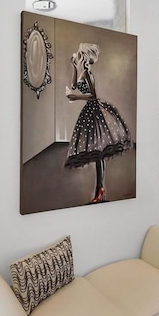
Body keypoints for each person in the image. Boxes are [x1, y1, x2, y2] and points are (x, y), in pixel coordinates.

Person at [64, 43, 133, 203]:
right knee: (96, 150)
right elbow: (74, 86)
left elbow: (93, 96)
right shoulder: (82, 71)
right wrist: (74, 67)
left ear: (85, 56)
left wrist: (75, 98)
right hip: (89, 111)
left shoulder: (88, 73)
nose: (78, 55)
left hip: (94, 110)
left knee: (98, 150)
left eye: (80, 54)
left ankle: (100, 188)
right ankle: (100, 187)